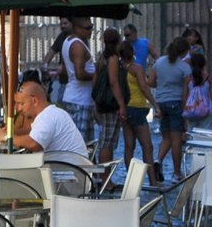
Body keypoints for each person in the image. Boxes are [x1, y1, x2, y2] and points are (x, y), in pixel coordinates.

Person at [150, 36, 191, 180]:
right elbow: (185, 92)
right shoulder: (184, 68)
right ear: (184, 51)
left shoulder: (159, 62)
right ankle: (176, 172)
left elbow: (151, 82)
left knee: (166, 136)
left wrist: (162, 84)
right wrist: (185, 112)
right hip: (176, 102)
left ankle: (157, 160)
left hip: (161, 102)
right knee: (176, 139)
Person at [12, 80, 88, 156]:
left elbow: (33, 143)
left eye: (21, 103)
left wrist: (7, 138)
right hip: (68, 165)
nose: (18, 108)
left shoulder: (47, 115)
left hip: (70, 166)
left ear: (34, 101)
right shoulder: (51, 113)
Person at [121, 37, 157, 182]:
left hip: (125, 108)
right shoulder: (137, 68)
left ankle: (131, 180)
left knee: (129, 146)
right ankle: (153, 181)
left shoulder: (119, 68)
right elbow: (144, 88)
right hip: (137, 107)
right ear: (133, 52)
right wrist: (155, 104)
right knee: (147, 146)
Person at [58, 17, 96, 143]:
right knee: (81, 144)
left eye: (92, 27)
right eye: (88, 28)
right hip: (80, 100)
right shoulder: (78, 45)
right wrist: (97, 75)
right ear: (77, 28)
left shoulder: (68, 42)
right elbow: (79, 74)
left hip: (76, 97)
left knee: (85, 144)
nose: (91, 31)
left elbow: (65, 69)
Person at [94, 27, 127, 165]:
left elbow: (95, 79)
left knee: (107, 140)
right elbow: (113, 82)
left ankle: (106, 177)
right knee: (107, 142)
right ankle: (105, 177)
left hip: (102, 102)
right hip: (110, 103)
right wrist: (121, 104)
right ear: (117, 41)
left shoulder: (102, 57)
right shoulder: (112, 58)